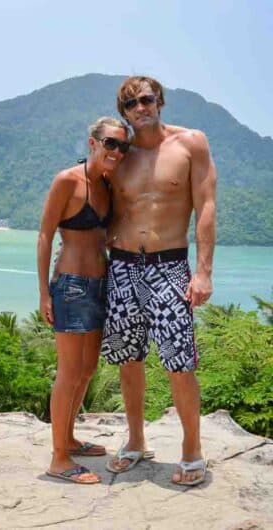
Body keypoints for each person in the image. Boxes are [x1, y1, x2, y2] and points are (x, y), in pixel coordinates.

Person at [101, 76, 216, 486]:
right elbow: (97, 204)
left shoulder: (190, 144)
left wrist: (203, 272)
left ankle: (192, 450)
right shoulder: (120, 155)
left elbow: (205, 207)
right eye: (130, 104)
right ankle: (135, 441)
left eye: (146, 99)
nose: (139, 108)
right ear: (124, 113)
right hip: (123, 265)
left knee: (180, 362)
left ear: (160, 101)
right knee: (129, 360)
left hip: (169, 266)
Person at [37, 116, 130, 484]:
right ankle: (59, 459)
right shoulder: (67, 181)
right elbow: (45, 235)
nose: (117, 152)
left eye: (123, 147)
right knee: (69, 372)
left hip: (100, 285)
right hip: (72, 286)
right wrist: (44, 290)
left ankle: (70, 439)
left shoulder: (108, 184)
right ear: (92, 143)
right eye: (110, 143)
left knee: (88, 369)